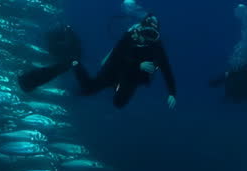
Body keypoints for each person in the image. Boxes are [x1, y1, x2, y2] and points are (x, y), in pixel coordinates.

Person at [18, 14, 177, 110]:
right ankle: (33, 79)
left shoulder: (157, 47)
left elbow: (166, 68)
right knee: (87, 89)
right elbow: (117, 55)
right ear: (139, 28)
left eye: (152, 34)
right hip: (113, 71)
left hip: (131, 78)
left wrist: (172, 93)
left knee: (118, 104)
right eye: (145, 32)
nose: (147, 37)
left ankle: (109, 90)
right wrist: (138, 64)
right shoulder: (129, 37)